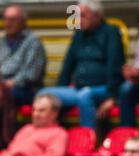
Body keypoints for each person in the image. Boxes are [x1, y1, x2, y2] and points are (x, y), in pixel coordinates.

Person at [38, 0, 125, 128]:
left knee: (85, 95)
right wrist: (61, 89)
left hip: (103, 89)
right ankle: (46, 137)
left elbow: (115, 66)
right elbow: (68, 66)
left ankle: (87, 139)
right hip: (78, 89)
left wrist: (112, 97)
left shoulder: (111, 33)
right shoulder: (78, 35)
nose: (79, 20)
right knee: (45, 94)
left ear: (97, 15)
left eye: (83, 15)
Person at [0, 5, 46, 147]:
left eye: (13, 19)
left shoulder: (33, 43)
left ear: (23, 21)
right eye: (6, 19)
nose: (8, 23)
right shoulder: (2, 42)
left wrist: (10, 83)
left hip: (26, 89)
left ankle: (4, 142)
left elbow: (32, 74)